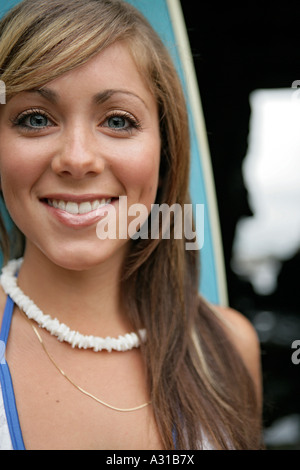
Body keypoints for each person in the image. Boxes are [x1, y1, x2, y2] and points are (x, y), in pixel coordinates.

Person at [0, 0, 262, 450]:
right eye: (35, 119)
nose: (78, 159)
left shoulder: (229, 347)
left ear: (165, 150)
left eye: (118, 121)